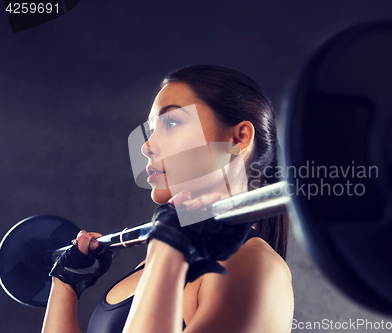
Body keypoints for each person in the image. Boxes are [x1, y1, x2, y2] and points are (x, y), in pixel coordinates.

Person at [41, 64, 294, 333]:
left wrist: (165, 251)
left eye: (171, 123)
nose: (147, 146)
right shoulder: (157, 261)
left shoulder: (254, 266)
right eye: (151, 130)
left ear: (238, 138)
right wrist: (66, 283)